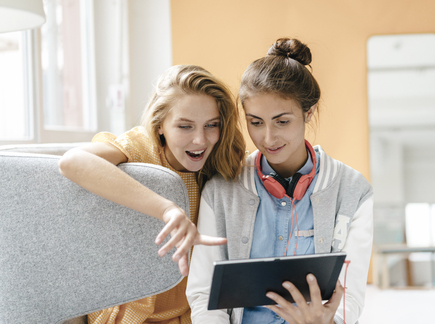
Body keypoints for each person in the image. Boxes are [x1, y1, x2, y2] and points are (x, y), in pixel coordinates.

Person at [186, 38, 374, 324]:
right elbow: (203, 294)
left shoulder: (353, 191)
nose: (268, 138)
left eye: (282, 121)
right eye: (256, 122)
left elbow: (350, 296)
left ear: (308, 112)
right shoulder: (221, 190)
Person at [58, 65, 246, 324]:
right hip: (131, 312)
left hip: (192, 311)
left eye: (211, 125)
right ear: (160, 126)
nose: (201, 140)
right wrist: (167, 209)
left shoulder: (222, 160)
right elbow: (72, 162)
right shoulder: (142, 149)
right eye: (185, 127)